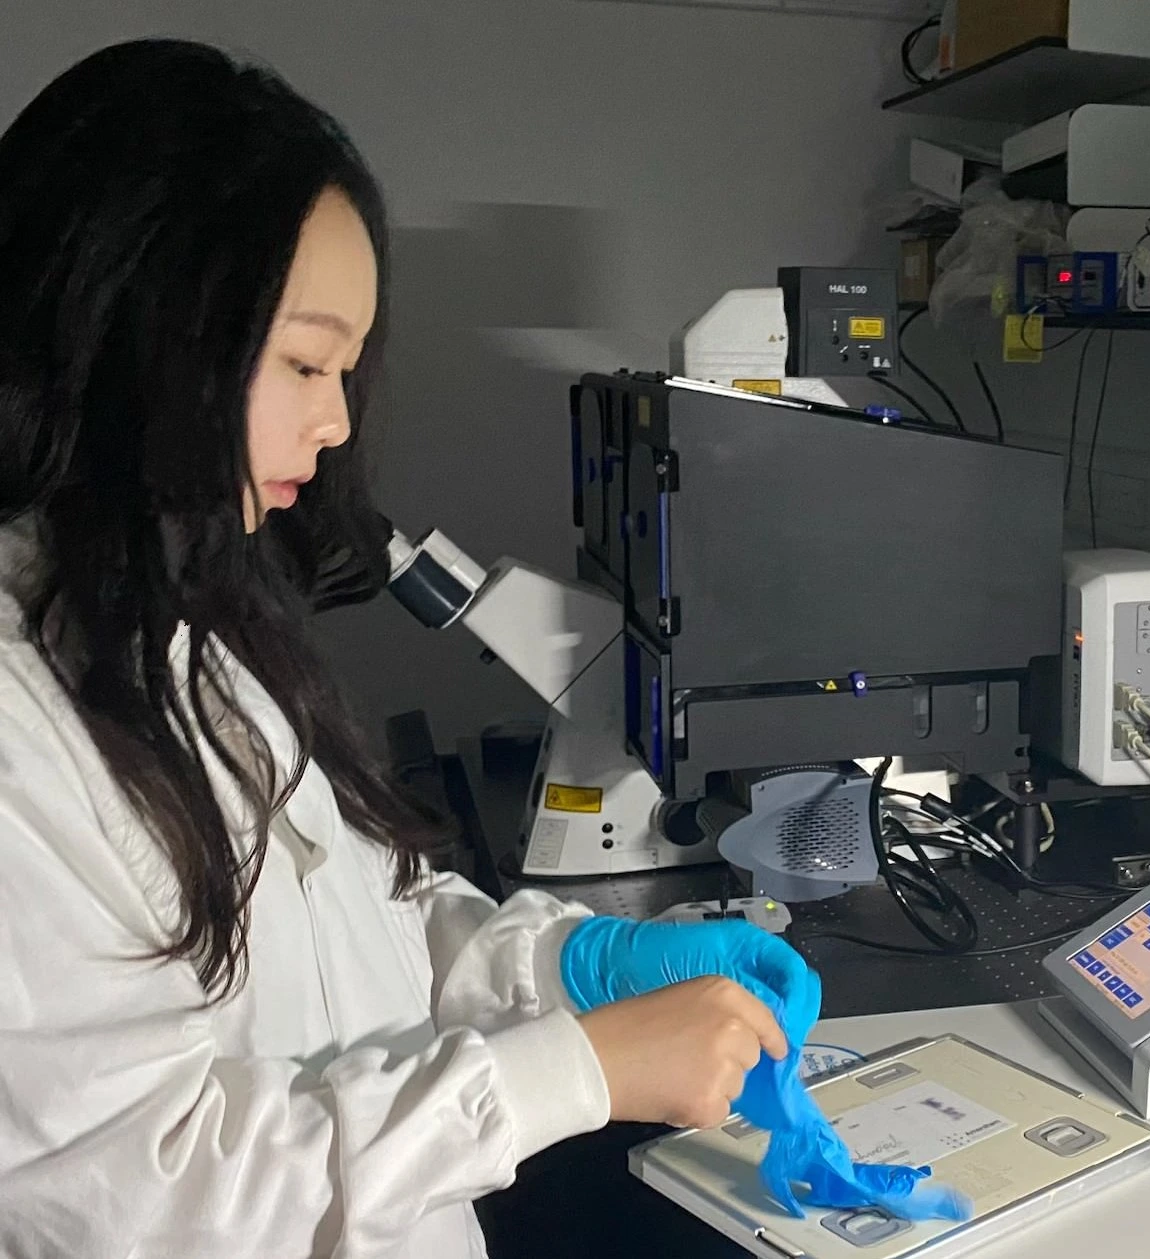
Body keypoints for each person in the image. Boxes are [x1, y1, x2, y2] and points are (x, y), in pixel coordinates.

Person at [0, 38, 807, 1258]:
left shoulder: (180, 631)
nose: (333, 421)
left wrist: (575, 963)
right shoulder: (18, 723)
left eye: (346, 368)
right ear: (125, 327)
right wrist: (569, 1071)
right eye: (304, 361)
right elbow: (136, 1191)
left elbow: (363, 927)